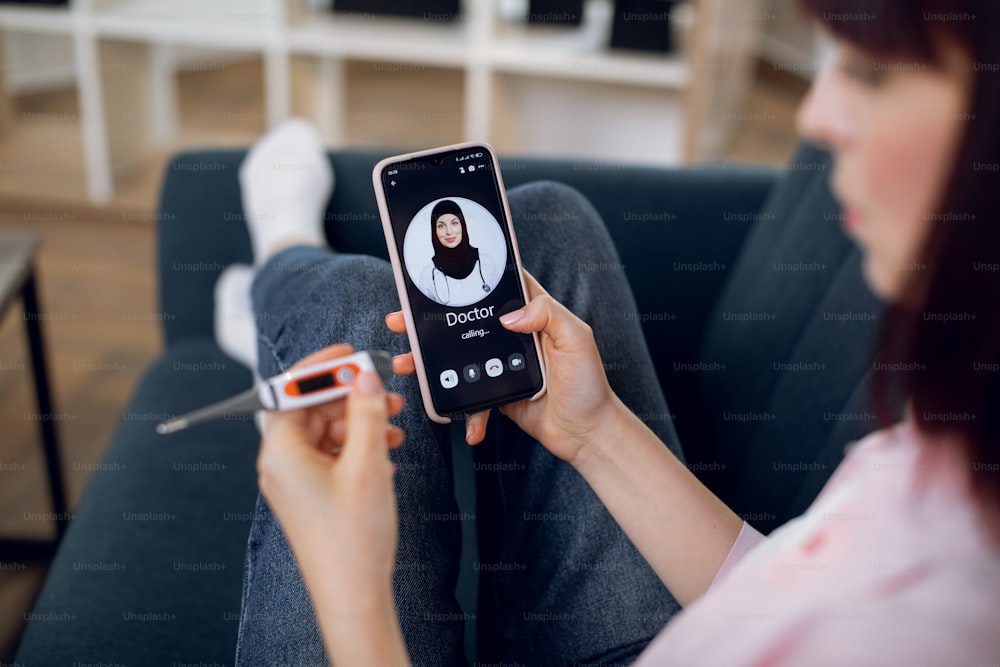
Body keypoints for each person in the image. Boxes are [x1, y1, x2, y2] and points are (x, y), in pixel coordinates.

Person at [223, 0, 1000, 663]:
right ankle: (282, 281)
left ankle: (280, 260)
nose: (813, 115)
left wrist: (348, 590)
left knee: (355, 311)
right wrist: (591, 428)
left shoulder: (945, 621)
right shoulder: (939, 457)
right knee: (549, 223)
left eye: (870, 70)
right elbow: (788, 602)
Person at [415, 199, 502, 307]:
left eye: (454, 223)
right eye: (441, 226)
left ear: (462, 226)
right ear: (434, 231)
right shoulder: (427, 275)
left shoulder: (486, 261)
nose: (449, 231)